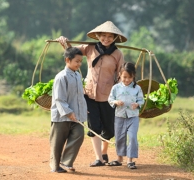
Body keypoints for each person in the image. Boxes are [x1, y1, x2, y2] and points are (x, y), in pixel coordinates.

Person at [57, 21, 127, 167]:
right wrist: (64, 41)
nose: (106, 39)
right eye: (103, 36)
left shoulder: (117, 54)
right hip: (89, 94)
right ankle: (99, 158)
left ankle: (104, 151)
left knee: (109, 128)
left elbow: (122, 74)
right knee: (93, 126)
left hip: (109, 96)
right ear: (98, 36)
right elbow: (72, 52)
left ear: (114, 38)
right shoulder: (89, 48)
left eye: (109, 36)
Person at [49, 47, 87, 173]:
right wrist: (68, 112)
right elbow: (59, 99)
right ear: (67, 60)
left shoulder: (77, 76)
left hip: (76, 116)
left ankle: (66, 162)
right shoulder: (61, 77)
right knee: (57, 142)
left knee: (79, 135)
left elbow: (79, 96)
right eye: (77, 61)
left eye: (81, 61)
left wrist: (82, 110)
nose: (79, 64)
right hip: (61, 116)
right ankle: (55, 166)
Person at [107, 62, 144, 169]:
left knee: (132, 137)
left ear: (133, 76)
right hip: (119, 116)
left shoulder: (137, 88)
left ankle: (130, 160)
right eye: (124, 77)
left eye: (130, 77)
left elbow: (141, 100)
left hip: (133, 117)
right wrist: (116, 102)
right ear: (120, 75)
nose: (127, 80)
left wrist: (137, 104)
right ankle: (119, 158)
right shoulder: (116, 88)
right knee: (119, 137)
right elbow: (110, 99)